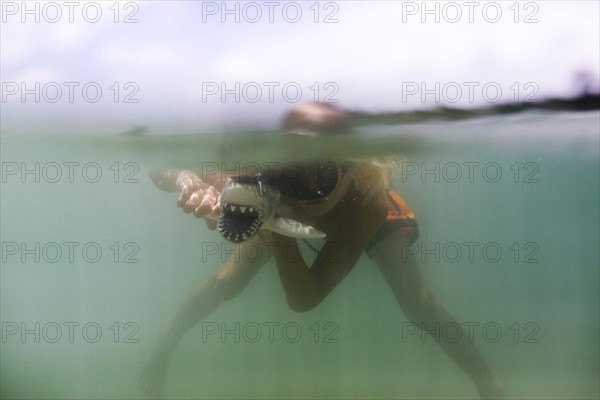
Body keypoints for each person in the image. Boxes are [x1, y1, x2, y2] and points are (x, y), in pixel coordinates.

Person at [139, 103, 505, 399]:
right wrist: (189, 180)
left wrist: (273, 219)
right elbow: (162, 170)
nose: (306, 183)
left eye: (321, 175)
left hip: (357, 218)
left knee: (418, 305)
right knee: (226, 283)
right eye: (291, 171)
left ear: (350, 166)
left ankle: (489, 384)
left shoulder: (368, 203)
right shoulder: (264, 178)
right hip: (278, 215)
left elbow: (304, 298)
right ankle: (164, 348)